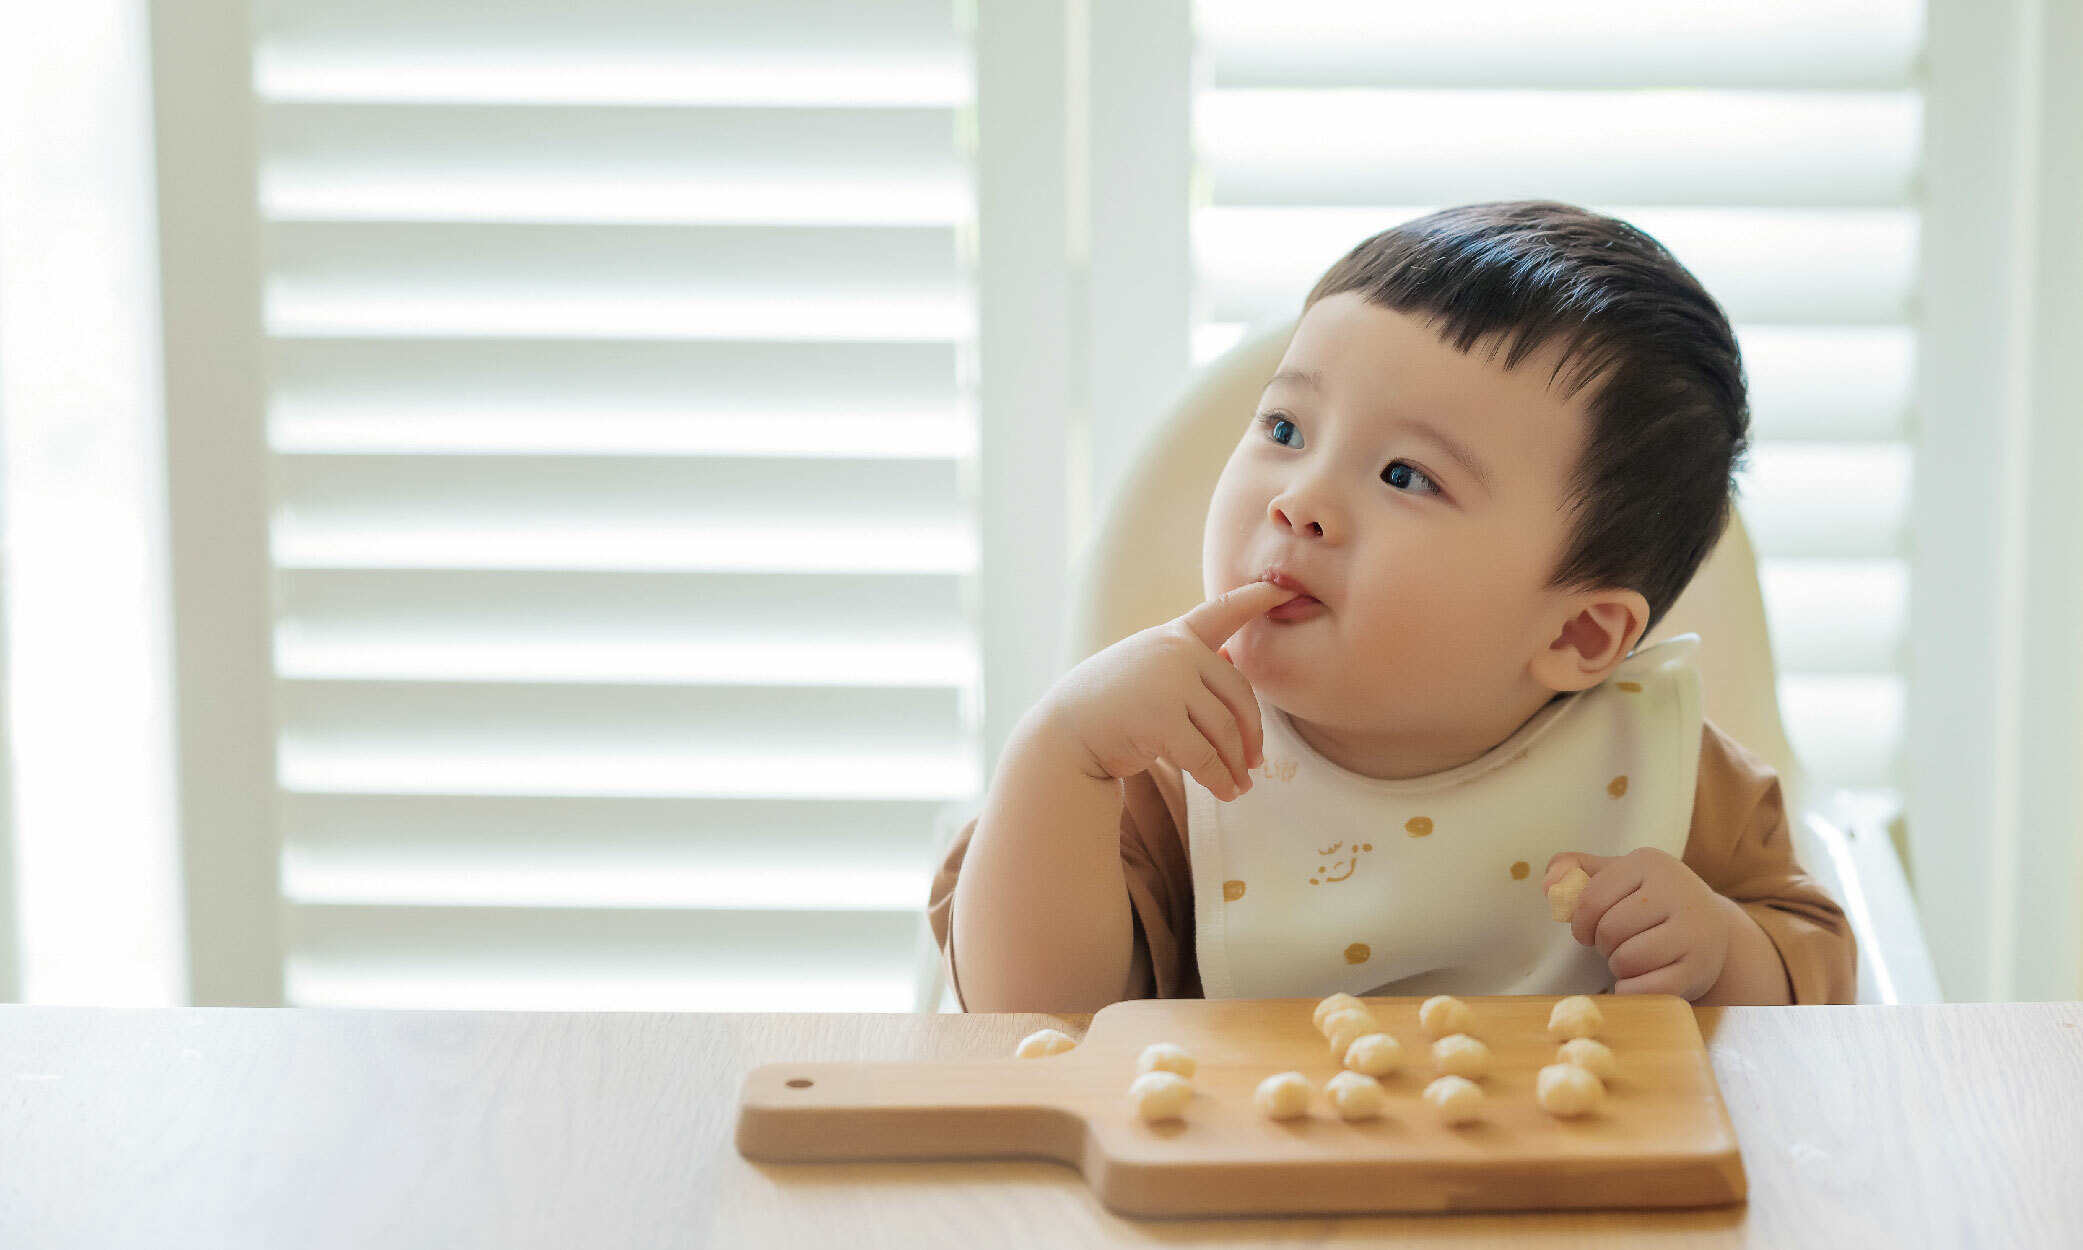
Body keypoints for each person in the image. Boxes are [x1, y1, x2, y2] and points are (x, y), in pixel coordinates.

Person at [929, 201, 1856, 1013]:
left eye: (1405, 476)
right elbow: (1032, 1016)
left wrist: (1724, 953)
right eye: (1285, 429)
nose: (1299, 500)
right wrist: (1060, 751)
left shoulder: (1660, 775)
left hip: (1562, 1201)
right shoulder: (1170, 766)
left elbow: (1816, 975)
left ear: (1577, 633)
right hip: (1226, 1203)